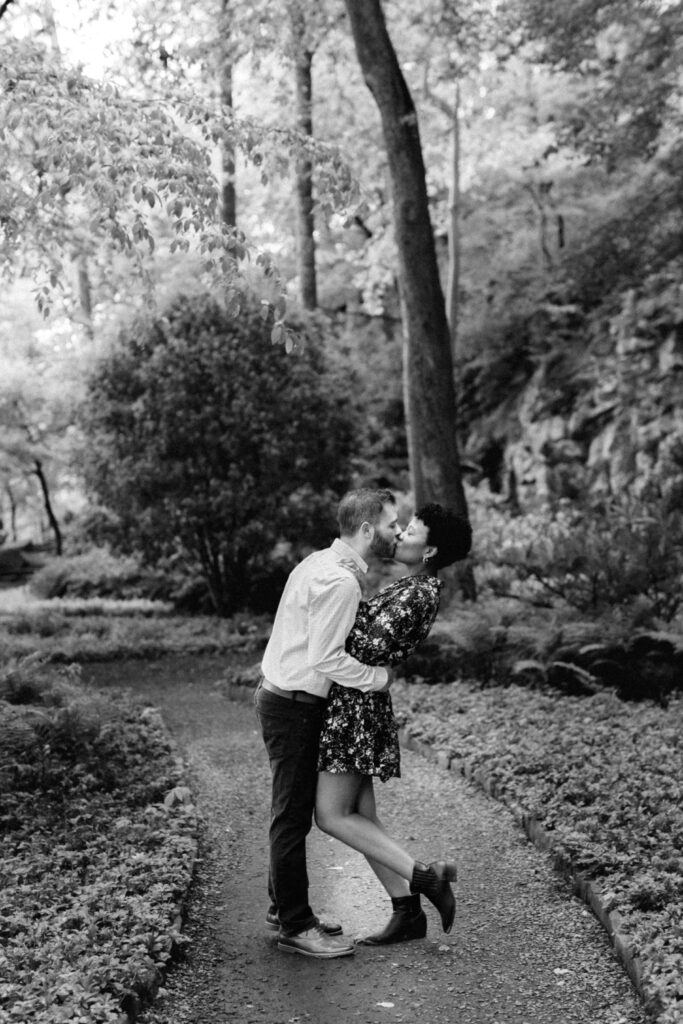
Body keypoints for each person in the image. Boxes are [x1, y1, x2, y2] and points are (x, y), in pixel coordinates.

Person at [315, 503, 473, 946]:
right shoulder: (410, 585)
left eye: (412, 529)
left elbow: (365, 644)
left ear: (432, 548)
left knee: (330, 815)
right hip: (355, 703)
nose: (400, 533)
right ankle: (406, 912)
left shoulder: (420, 592)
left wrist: (334, 612)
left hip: (356, 711)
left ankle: (425, 878)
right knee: (361, 816)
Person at [254, 487, 402, 959]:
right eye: (390, 524)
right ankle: (295, 927)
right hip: (295, 703)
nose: (396, 532)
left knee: (292, 813)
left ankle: (287, 910)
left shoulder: (319, 562)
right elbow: (326, 657)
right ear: (365, 530)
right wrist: (377, 678)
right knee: (293, 817)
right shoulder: (339, 581)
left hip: (285, 697)